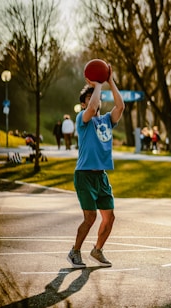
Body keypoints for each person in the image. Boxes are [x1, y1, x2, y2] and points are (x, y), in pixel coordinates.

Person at [67, 65, 125, 268]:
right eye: (90, 98)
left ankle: (97, 250)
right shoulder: (82, 119)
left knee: (109, 218)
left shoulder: (107, 120)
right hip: (84, 175)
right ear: (83, 103)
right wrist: (97, 84)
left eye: (97, 97)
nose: (95, 100)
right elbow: (92, 108)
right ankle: (75, 252)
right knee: (90, 217)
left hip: (101, 177)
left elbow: (120, 107)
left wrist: (110, 81)